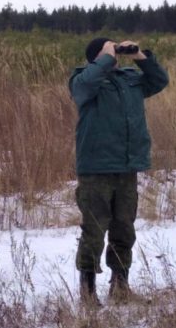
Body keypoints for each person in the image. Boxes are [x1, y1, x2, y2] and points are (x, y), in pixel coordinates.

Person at [68, 38, 169, 306]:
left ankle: (120, 287)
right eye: (108, 49)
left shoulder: (129, 79)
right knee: (94, 229)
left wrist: (139, 56)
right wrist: (106, 58)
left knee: (124, 229)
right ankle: (87, 294)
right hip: (96, 168)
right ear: (96, 57)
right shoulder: (83, 80)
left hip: (126, 166)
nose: (115, 53)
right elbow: (83, 88)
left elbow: (159, 81)